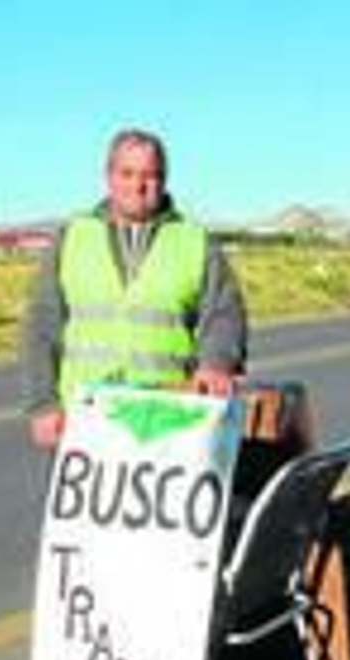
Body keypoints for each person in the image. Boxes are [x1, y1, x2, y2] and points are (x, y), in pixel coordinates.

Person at [20, 128, 249, 450]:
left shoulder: (194, 240)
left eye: (150, 175)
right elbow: (41, 327)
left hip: (168, 418)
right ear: (109, 176)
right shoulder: (72, 237)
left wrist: (216, 363)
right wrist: (43, 405)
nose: (138, 186)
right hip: (85, 418)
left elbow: (225, 313)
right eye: (127, 173)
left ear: (164, 180)